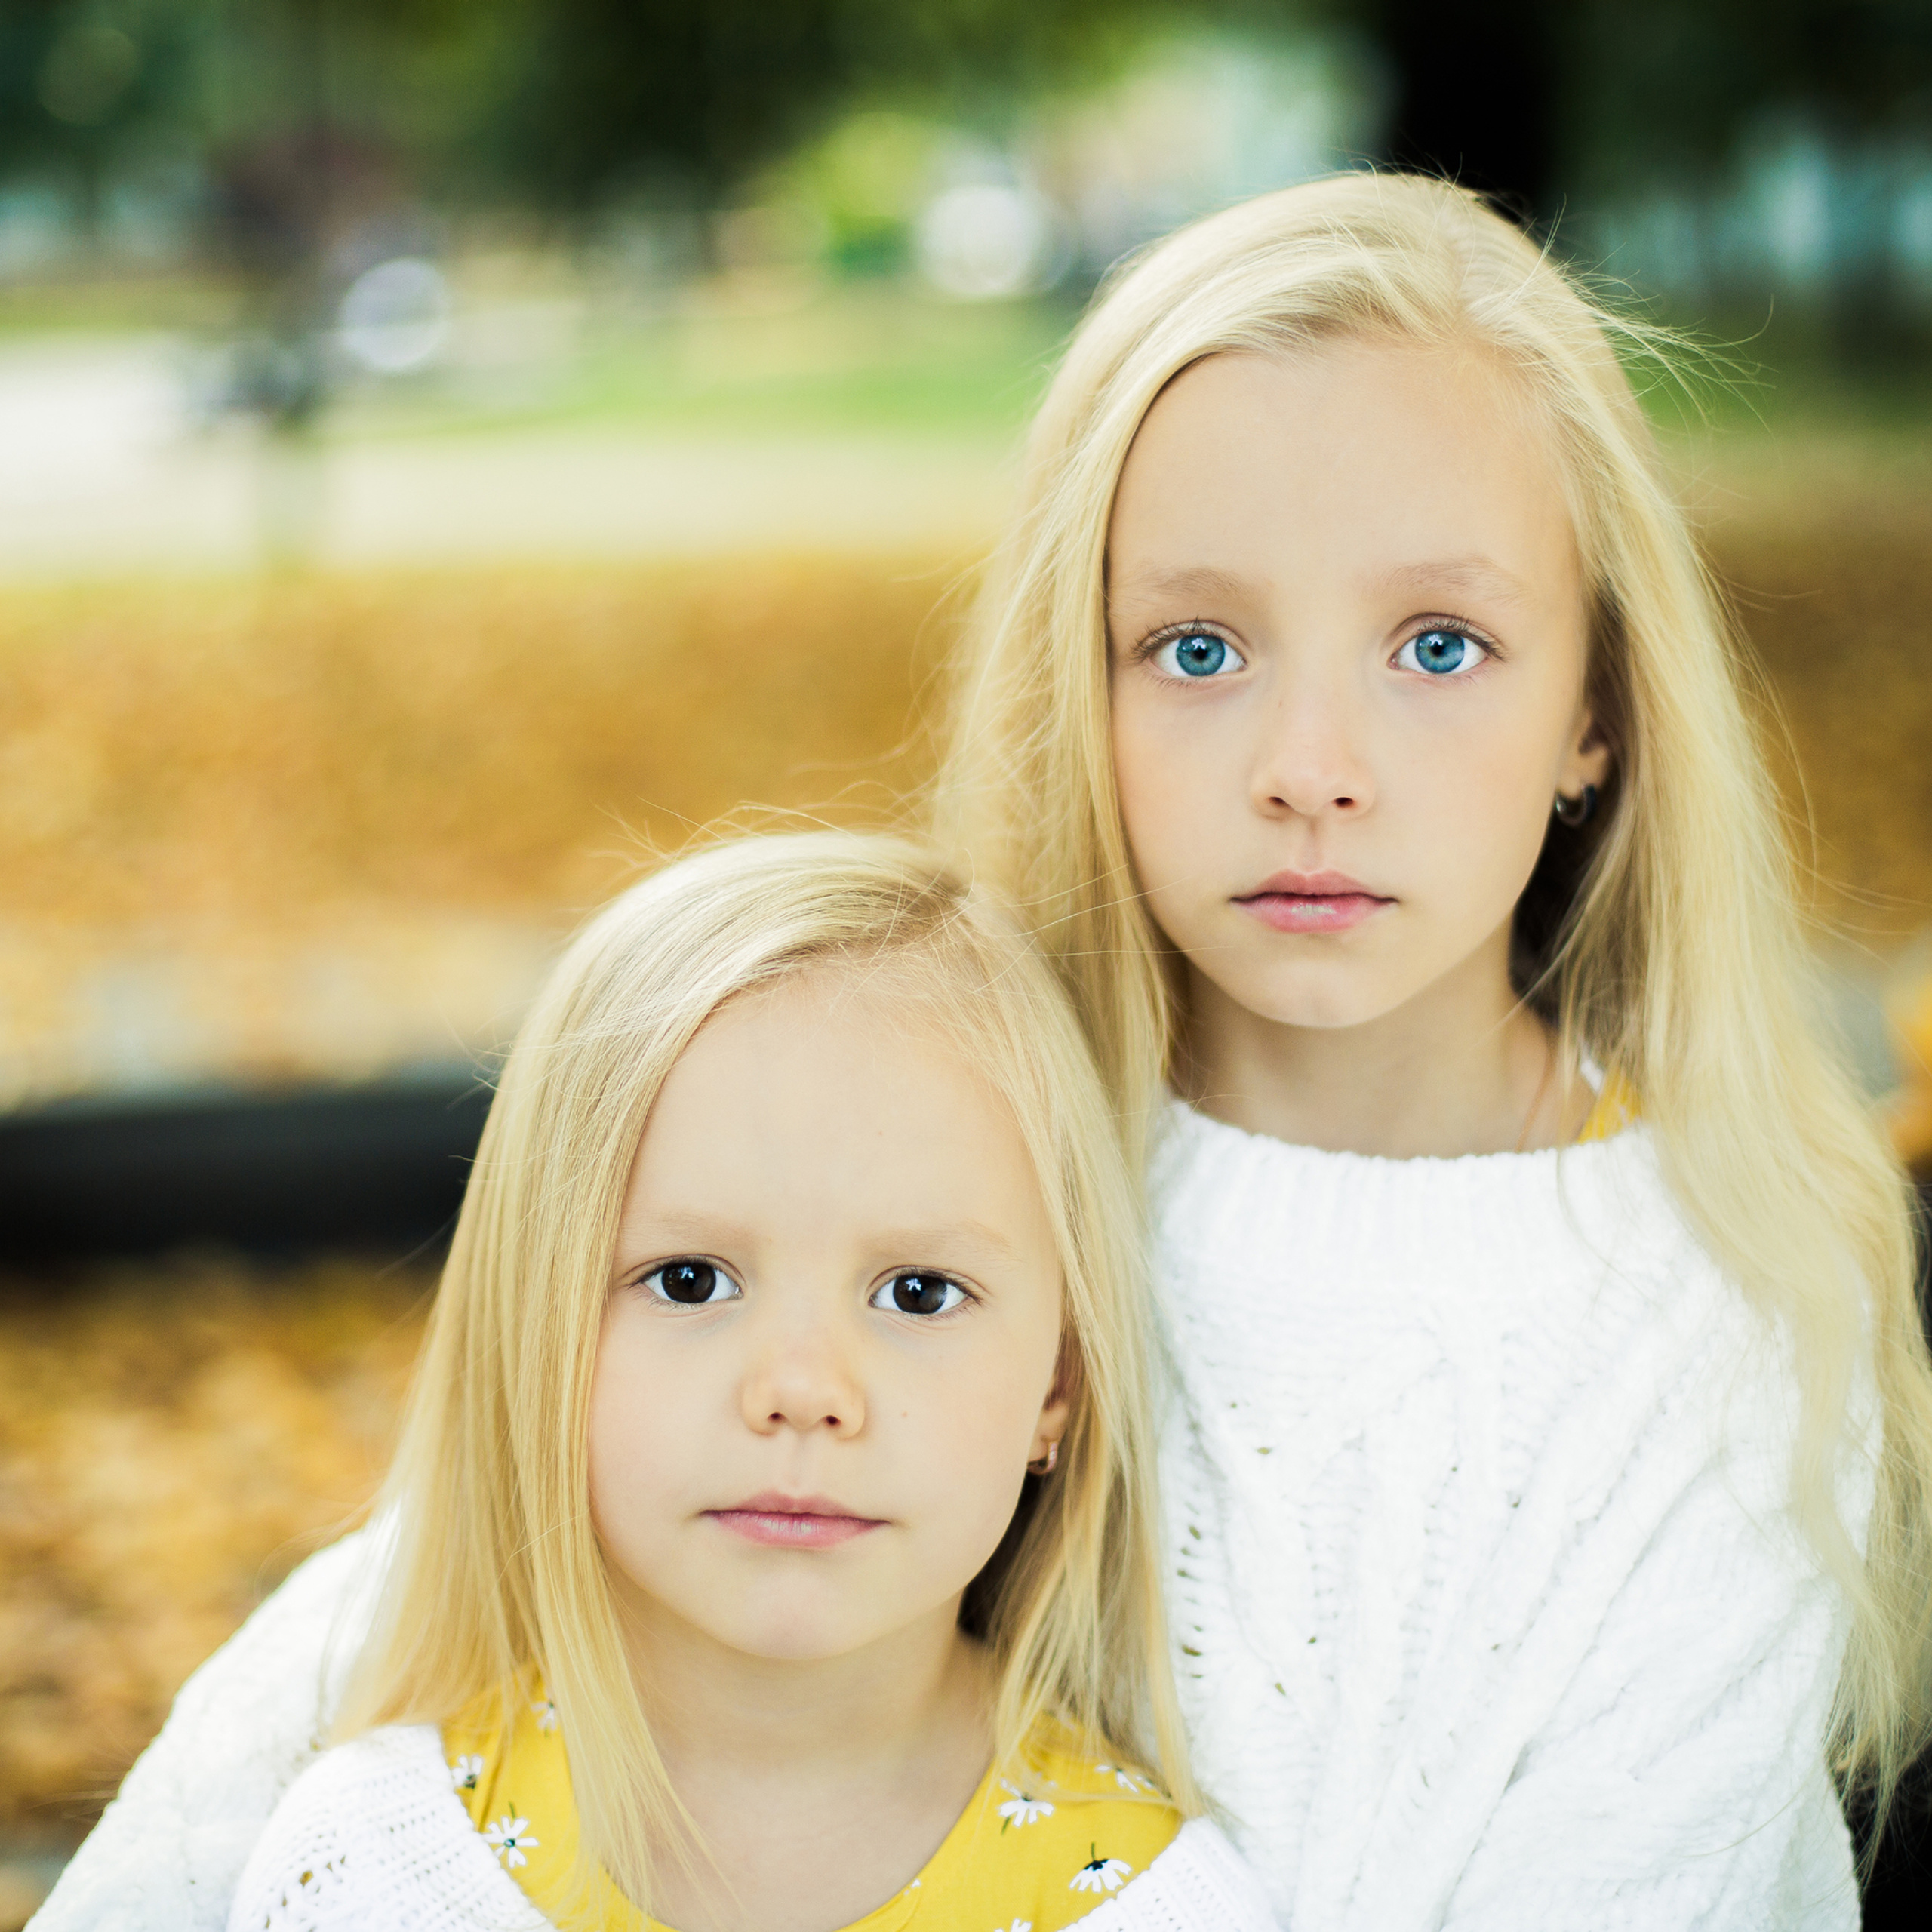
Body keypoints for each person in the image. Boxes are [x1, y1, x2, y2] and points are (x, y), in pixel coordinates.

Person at [934, 171, 1932, 1927]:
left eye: (1437, 645)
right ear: (1072, 692)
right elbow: (468, 1627)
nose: (1309, 763)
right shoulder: (928, 1187)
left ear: (1594, 715)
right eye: (1194, 645)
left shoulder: (1733, 1298)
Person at [192, 832, 1272, 1932]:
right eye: (692, 1279)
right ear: (538, 1335)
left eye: (917, 1294)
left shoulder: (1147, 1903)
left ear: (1058, 1383)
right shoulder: (383, 1867)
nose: (802, 1390)